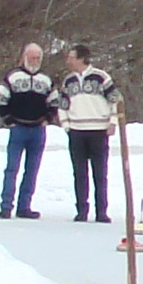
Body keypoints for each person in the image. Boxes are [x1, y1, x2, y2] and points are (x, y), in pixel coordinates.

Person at [56, 44, 122, 223]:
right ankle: (81, 211)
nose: (68, 60)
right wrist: (66, 124)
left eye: (71, 57)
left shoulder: (101, 77)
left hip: (98, 131)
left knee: (100, 173)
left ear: (81, 58)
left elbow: (114, 100)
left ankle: (101, 211)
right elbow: (62, 105)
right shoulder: (68, 81)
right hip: (77, 131)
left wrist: (112, 122)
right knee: (79, 173)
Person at [0, 42, 56, 219]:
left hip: (37, 129)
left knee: (32, 169)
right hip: (18, 128)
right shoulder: (13, 76)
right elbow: (0, 100)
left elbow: (55, 101)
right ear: (24, 57)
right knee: (12, 168)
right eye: (32, 57)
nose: (34, 61)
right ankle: (6, 206)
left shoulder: (46, 79)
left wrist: (48, 119)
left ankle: (24, 206)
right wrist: (8, 120)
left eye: (37, 58)